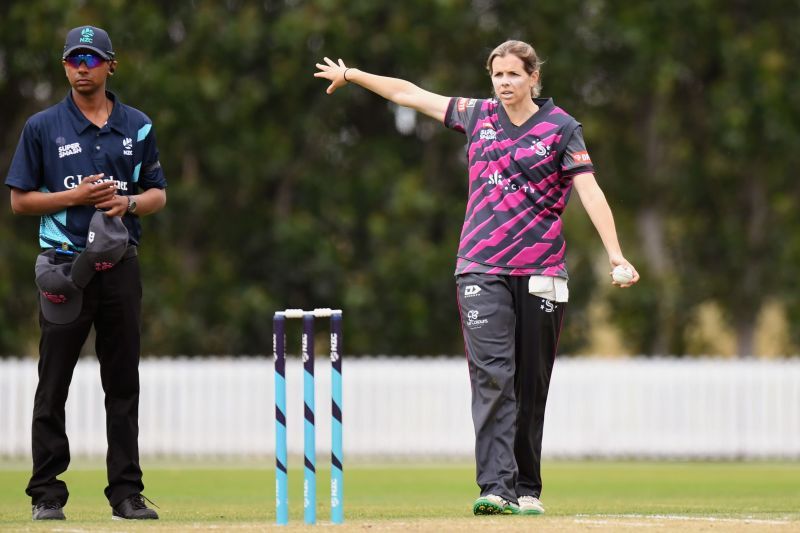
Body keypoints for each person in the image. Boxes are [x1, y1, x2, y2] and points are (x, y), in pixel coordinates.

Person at [314, 40, 639, 516]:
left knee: (530, 383)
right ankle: (495, 487)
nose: (504, 83)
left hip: (541, 271)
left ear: (534, 78)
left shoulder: (562, 129)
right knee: (492, 377)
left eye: (513, 75)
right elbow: (410, 94)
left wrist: (616, 256)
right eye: (497, 75)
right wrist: (354, 76)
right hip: (480, 267)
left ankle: (527, 488)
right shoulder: (476, 114)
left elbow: (590, 191)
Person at [5, 25, 166, 521]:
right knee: (53, 383)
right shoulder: (42, 127)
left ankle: (125, 493)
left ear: (110, 65)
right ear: (64, 66)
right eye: (74, 59)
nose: (82, 67)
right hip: (64, 267)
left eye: (91, 59)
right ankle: (47, 493)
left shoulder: (136, 125)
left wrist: (128, 202)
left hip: (120, 267)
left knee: (122, 383)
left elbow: (157, 193)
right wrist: (73, 198)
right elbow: (19, 201)